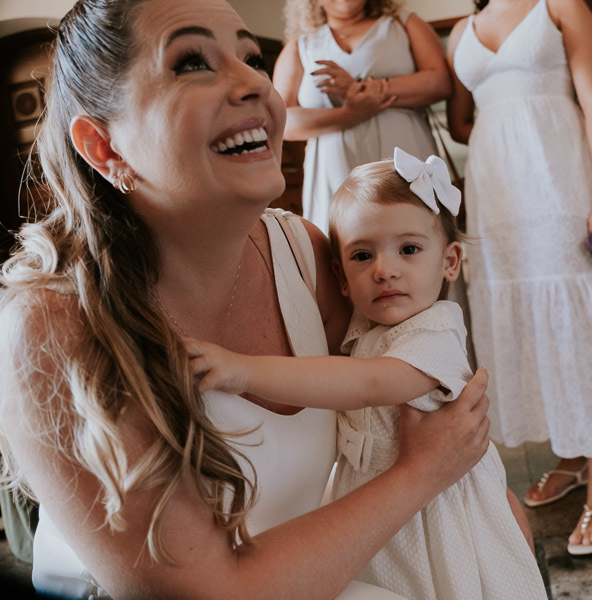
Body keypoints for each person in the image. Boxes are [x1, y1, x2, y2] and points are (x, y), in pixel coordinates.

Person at [0, 1, 491, 598]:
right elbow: (207, 593)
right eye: (190, 62)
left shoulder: (310, 259)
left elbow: (410, 421)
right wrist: (424, 475)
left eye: (253, 58)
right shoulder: (53, 323)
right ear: (105, 148)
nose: (255, 81)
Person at [188, 148, 547, 600]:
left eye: (409, 249)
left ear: (450, 261)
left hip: (438, 514)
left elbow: (366, 384)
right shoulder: (365, 329)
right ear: (340, 277)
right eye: (362, 255)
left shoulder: (436, 330)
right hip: (375, 506)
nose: (384, 270)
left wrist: (243, 371)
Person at [446, 0, 592, 556]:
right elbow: (460, 121)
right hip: (494, 191)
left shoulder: (560, 6)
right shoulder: (460, 32)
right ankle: (571, 454)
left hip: (557, 177)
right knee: (524, 328)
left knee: (579, 325)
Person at [274, 0, 451, 234]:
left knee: (416, 232)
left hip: (403, 154)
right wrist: (350, 114)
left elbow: (440, 82)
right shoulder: (300, 46)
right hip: (334, 169)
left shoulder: (403, 24)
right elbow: (283, 120)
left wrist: (362, 89)